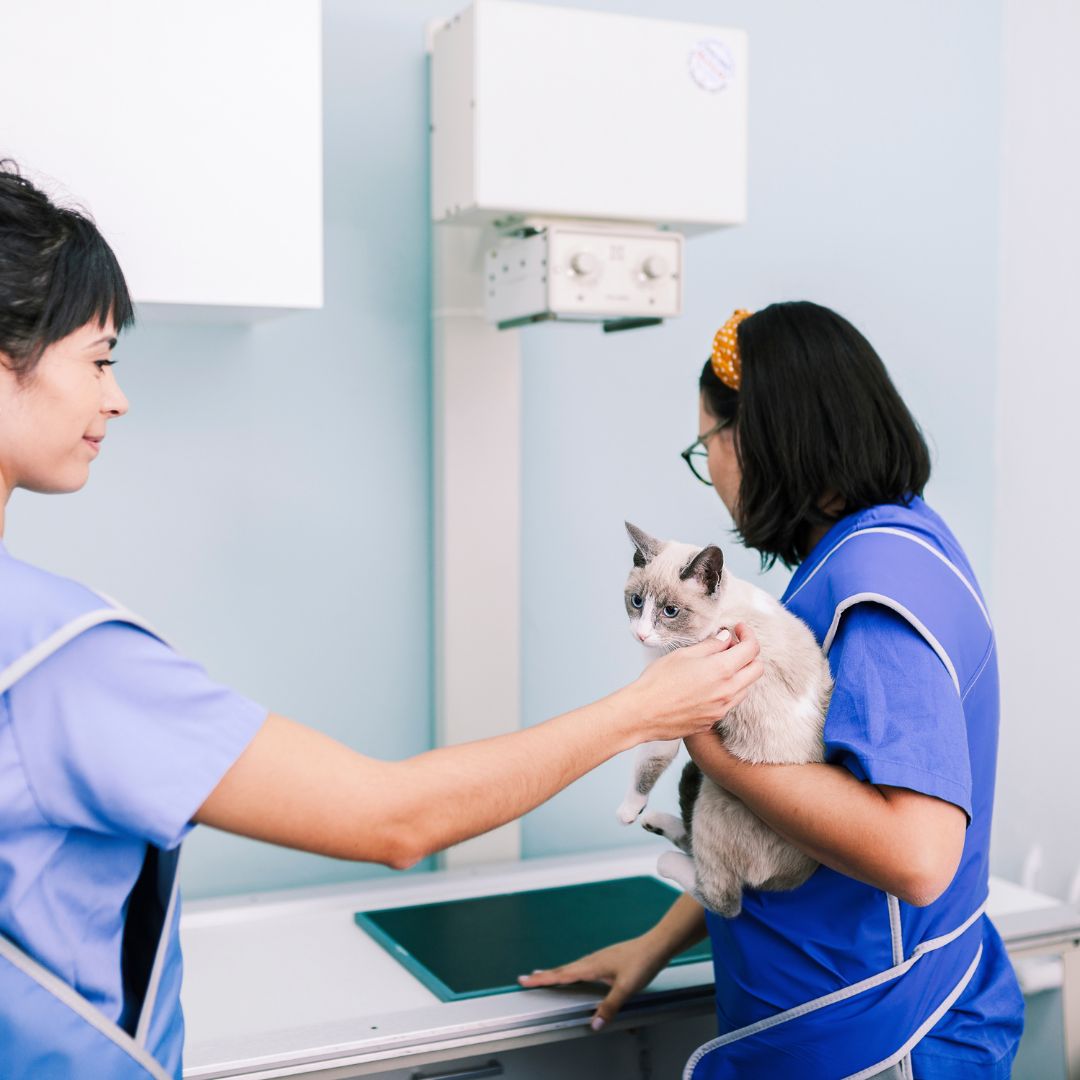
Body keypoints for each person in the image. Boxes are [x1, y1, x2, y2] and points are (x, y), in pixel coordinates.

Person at [0, 163, 765, 1080]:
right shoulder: (54, 658)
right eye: (99, 359)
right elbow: (393, 819)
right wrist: (646, 710)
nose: (115, 396)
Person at [521, 303, 1024, 1078]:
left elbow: (918, 855)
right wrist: (656, 945)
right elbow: (804, 814)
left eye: (705, 445)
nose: (712, 472)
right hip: (839, 1010)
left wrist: (708, 751)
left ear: (750, 438)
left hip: (883, 1034)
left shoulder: (875, 588)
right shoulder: (883, 544)